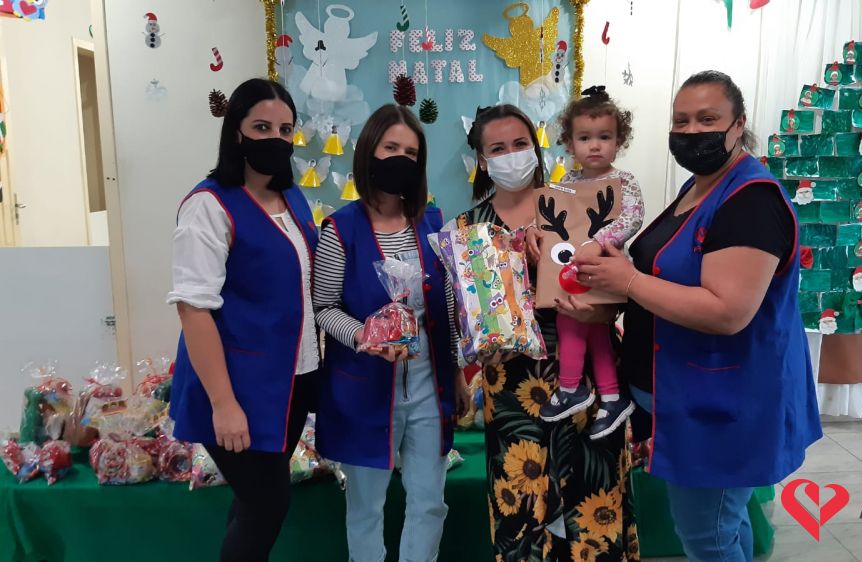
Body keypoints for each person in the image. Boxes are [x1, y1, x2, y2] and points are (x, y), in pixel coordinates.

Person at [576, 70, 822, 561]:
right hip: (682, 395)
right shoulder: (701, 185)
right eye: (681, 120)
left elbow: (727, 311)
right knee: (724, 525)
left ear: (738, 124)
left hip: (722, 404)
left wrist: (627, 282)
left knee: (707, 535)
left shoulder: (750, 200)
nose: (691, 131)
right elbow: (670, 274)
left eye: (707, 119)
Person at [452, 104, 640, 561]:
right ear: (482, 160)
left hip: (588, 379)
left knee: (593, 505)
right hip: (510, 387)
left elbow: (622, 281)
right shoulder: (467, 229)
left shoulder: (577, 202)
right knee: (521, 507)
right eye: (498, 148)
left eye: (520, 144)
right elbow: (464, 315)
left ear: (536, 151)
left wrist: (601, 308)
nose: (511, 155)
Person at [167, 78, 320, 562]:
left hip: (290, 382)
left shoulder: (291, 199)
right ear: (236, 132)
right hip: (237, 387)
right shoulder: (209, 206)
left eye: (285, 129)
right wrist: (224, 403)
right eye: (262, 127)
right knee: (267, 503)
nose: (276, 138)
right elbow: (193, 309)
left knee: (254, 503)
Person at [312, 104, 466, 562]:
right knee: (365, 508)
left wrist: (457, 371)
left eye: (411, 153)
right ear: (368, 152)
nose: (401, 159)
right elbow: (323, 307)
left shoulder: (433, 222)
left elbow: (448, 302)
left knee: (429, 502)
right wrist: (364, 335)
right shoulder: (340, 230)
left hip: (427, 384)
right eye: (390, 147)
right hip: (364, 386)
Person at [532, 85, 644, 440]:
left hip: (606, 268)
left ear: (619, 141)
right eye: (585, 138)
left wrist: (599, 242)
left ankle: (570, 387)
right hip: (572, 271)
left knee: (574, 322)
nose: (595, 145)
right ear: (569, 143)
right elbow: (552, 219)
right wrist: (535, 231)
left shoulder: (623, 181)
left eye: (604, 137)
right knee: (593, 330)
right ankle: (611, 396)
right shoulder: (566, 183)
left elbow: (633, 218)